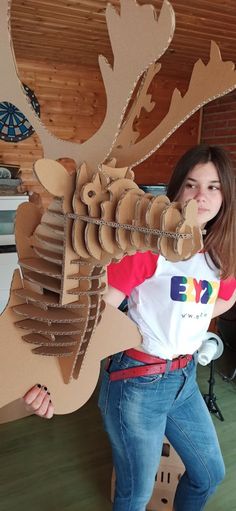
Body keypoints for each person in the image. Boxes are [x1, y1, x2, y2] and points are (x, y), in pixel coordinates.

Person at [23, 144, 236, 511]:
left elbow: (226, 296)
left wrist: (189, 323)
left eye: (214, 186)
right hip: (137, 382)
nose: (202, 196)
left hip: (184, 379)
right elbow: (89, 314)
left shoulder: (219, 253)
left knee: (209, 475)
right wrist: (48, 382)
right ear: (177, 190)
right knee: (135, 494)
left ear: (226, 195)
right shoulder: (149, 249)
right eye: (192, 184)